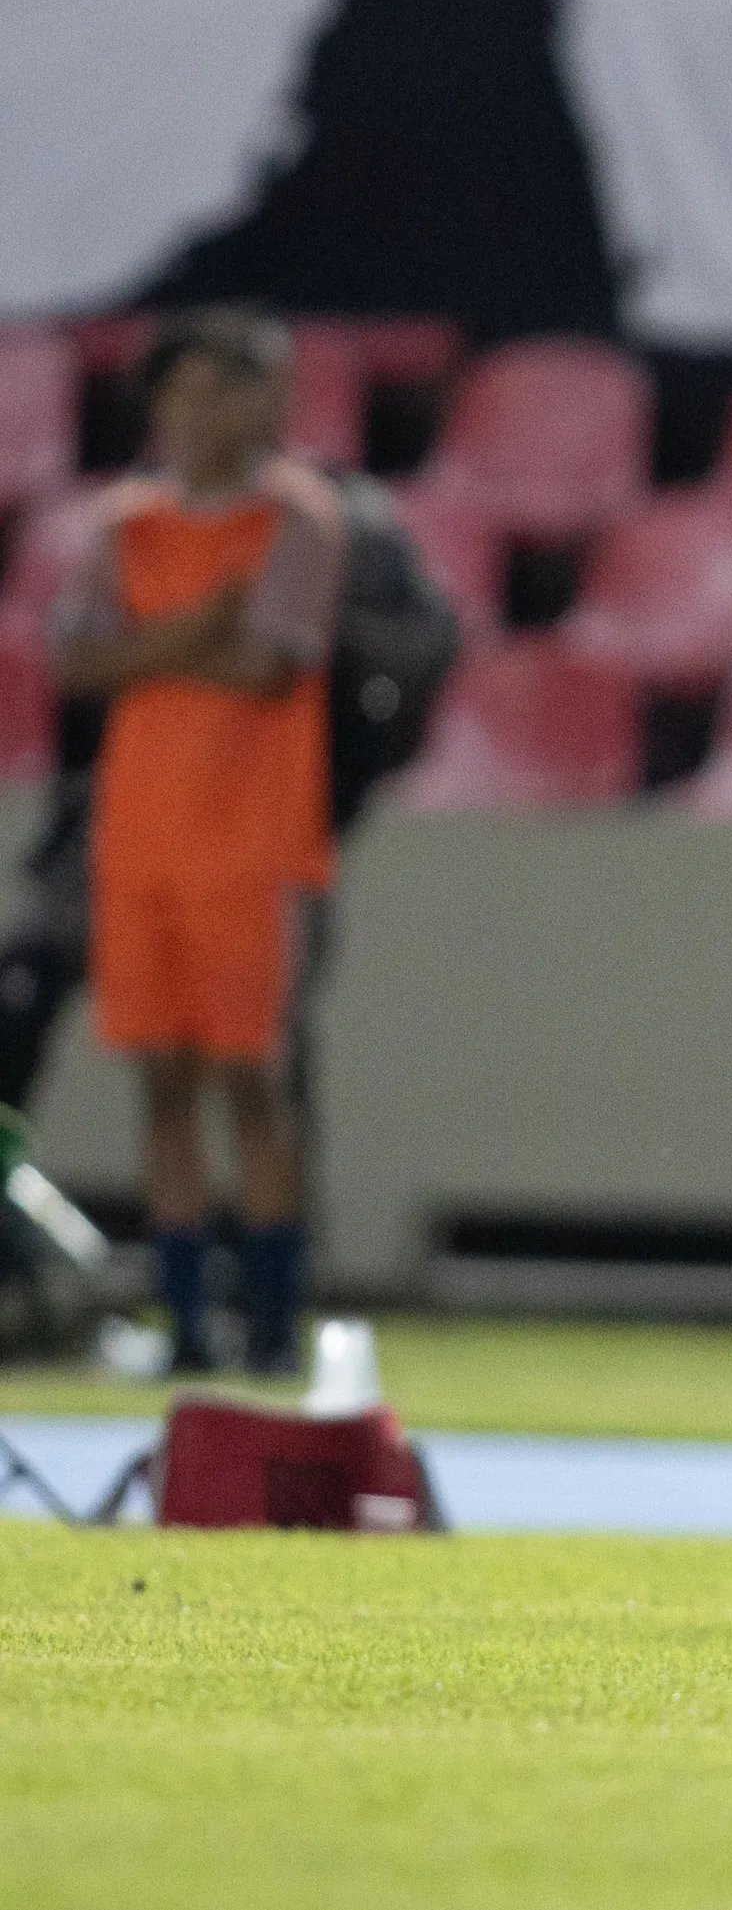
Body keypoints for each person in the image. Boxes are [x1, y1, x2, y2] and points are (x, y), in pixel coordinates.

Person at [50, 308, 344, 1377]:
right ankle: (186, 1326)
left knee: (252, 1085)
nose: (202, 411)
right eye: (184, 389)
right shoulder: (123, 523)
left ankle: (270, 1327)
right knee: (162, 1089)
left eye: (227, 388)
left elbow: (270, 664)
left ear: (267, 400)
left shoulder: (297, 519)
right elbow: (73, 666)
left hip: (251, 843)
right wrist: (195, 631)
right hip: (143, 839)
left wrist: (141, 651)